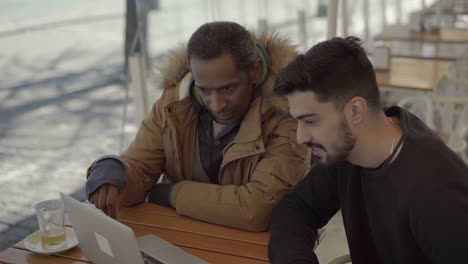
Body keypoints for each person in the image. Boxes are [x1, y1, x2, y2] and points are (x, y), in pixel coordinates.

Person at [85, 21, 309, 231]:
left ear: (255, 71)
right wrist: (114, 171)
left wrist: (172, 194)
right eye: (205, 90)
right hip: (183, 233)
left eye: (228, 89)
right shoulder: (173, 104)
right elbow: (141, 168)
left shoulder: (290, 113)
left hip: (255, 247)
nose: (217, 104)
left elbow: (257, 207)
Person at [268, 36, 468, 263]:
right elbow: (297, 207)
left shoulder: (438, 195)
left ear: (355, 111)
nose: (300, 137)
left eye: (311, 121)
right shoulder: (346, 151)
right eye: (298, 122)